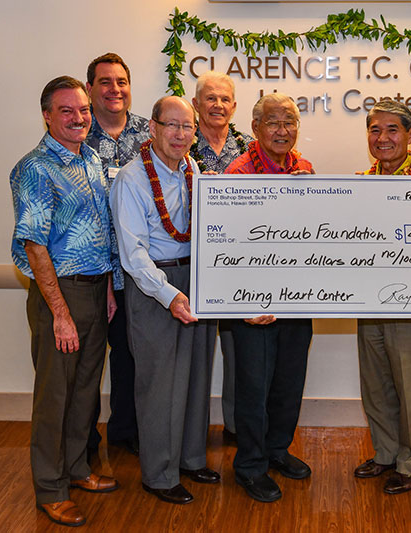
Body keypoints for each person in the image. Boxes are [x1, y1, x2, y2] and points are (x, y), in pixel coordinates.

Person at [10, 76, 119, 527]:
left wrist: (109, 289)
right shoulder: (35, 168)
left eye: (83, 110)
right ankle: (50, 488)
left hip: (97, 289)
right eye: (67, 111)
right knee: (54, 396)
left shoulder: (92, 159)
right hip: (61, 292)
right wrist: (59, 313)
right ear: (48, 116)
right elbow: (34, 246)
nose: (79, 118)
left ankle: (77, 469)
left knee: (84, 392)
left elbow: (102, 232)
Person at [110, 96, 219, 505]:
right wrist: (170, 295)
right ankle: (159, 474)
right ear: (152, 128)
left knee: (195, 375)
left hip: (196, 276)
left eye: (187, 127)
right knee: (159, 383)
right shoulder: (131, 179)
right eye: (170, 126)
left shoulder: (193, 169)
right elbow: (133, 255)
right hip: (155, 285)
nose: (179, 134)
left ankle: (191, 458)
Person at [224, 93, 314, 503]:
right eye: (273, 122)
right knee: (253, 387)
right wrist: (243, 303)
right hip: (254, 304)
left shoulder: (307, 170)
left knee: (288, 383)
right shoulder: (238, 174)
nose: (283, 130)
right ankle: (250, 465)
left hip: (298, 299)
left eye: (290, 122)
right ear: (256, 129)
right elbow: (226, 243)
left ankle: (278, 449)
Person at [353, 100, 411, 495]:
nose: (383, 138)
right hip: (368, 302)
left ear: (409, 134)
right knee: (377, 385)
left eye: (392, 130)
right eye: (375, 130)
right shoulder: (359, 184)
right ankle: (385, 452)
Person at [84, 52, 150, 458]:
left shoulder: (149, 133)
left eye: (121, 81)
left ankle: (127, 430)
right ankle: (84, 442)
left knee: (132, 359)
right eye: (105, 82)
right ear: (90, 88)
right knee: (88, 364)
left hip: (137, 272)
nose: (115, 89)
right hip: (92, 271)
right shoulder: (76, 133)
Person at [189, 70, 253, 444]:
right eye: (209, 98)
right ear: (196, 104)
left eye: (224, 99)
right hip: (191, 265)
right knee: (195, 358)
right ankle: (192, 434)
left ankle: (236, 428)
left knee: (239, 354)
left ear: (234, 106)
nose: (217, 105)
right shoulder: (180, 141)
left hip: (237, 268)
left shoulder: (249, 147)